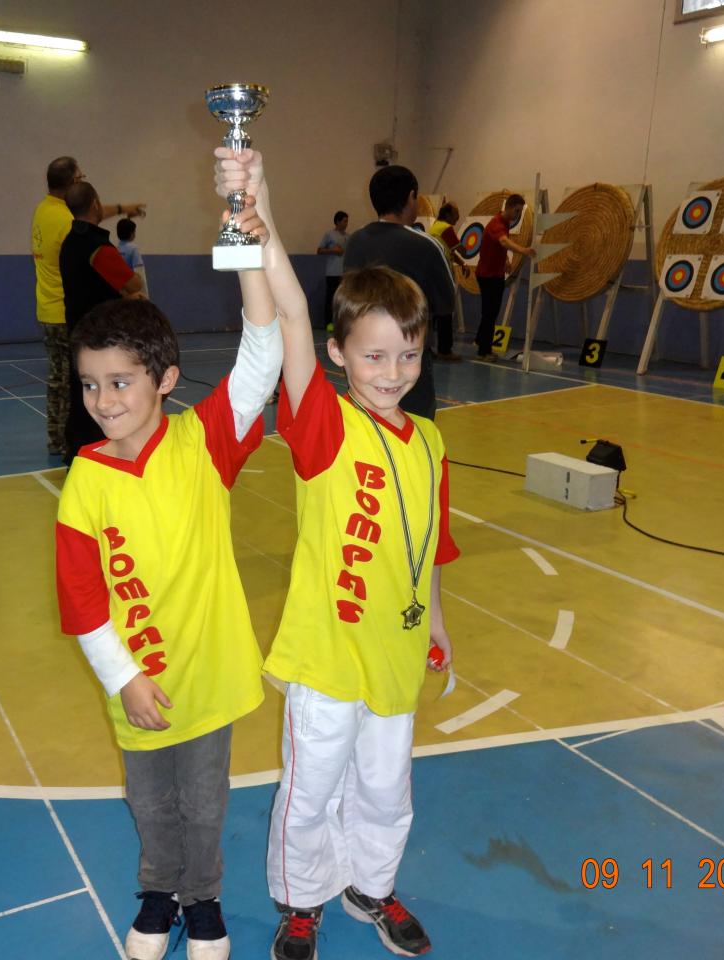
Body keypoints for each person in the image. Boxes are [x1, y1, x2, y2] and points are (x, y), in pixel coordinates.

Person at [214, 149, 458, 960]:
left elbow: (426, 549)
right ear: (341, 352)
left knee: (387, 790)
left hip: (394, 652)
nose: (392, 372)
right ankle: (300, 901)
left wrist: (439, 623)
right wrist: (266, 213)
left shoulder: (430, 441)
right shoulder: (322, 426)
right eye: (374, 355)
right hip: (325, 658)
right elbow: (286, 318)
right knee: (310, 792)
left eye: (408, 355)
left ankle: (371, 886)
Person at [54, 170, 282, 960]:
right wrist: (122, 676)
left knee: (204, 803)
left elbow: (263, 352)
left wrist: (248, 244)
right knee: (151, 805)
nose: (104, 398)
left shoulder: (203, 444)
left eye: (121, 381)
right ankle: (159, 895)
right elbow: (83, 602)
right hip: (139, 681)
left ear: (166, 381)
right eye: (90, 384)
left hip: (209, 672)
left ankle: (205, 901)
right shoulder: (83, 479)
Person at [30, 155, 145, 457]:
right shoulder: (80, 235)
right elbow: (132, 283)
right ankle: (71, 442)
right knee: (74, 383)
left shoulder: (49, 213)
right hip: (73, 316)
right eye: (80, 177)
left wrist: (122, 209)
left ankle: (64, 441)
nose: (82, 179)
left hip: (57, 307)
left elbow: (84, 214)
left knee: (67, 380)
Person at [343, 165, 455, 419]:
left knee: (367, 428)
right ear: (411, 197)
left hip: (362, 359)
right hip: (407, 358)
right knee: (416, 429)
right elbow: (446, 303)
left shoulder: (356, 241)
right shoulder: (425, 245)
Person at [59, 181, 146, 460]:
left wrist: (123, 209)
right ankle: (96, 451)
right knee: (103, 396)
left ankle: (76, 451)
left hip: (77, 331)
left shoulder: (70, 241)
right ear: (96, 204)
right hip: (100, 338)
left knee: (80, 394)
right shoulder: (97, 247)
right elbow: (133, 283)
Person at [473, 193, 535, 362]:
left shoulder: (504, 223)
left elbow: (499, 245)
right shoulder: (497, 224)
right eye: (517, 210)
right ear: (508, 207)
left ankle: (480, 341)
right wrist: (523, 250)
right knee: (490, 314)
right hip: (488, 276)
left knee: (490, 312)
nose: (518, 215)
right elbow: (504, 242)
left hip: (496, 274)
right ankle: (483, 351)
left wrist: (506, 260)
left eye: (520, 212)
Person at [428, 202, 467, 361]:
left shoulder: (435, 226)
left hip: (431, 275)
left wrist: (461, 263)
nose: (458, 217)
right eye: (456, 213)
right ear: (448, 214)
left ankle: (428, 348)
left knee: (432, 315)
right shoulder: (446, 228)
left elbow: (447, 249)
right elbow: (463, 249)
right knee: (445, 312)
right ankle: (445, 350)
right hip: (442, 275)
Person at [316, 211, 348, 329]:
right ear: (338, 221)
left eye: (347, 221)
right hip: (332, 272)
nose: (346, 223)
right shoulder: (329, 234)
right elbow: (319, 250)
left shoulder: (347, 236)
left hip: (344, 273)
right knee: (331, 298)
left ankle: (340, 323)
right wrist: (333, 251)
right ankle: (328, 323)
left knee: (342, 299)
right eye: (344, 221)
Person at [117, 217, 149, 297]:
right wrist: (145, 294)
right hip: (133, 289)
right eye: (134, 231)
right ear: (132, 234)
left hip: (121, 290)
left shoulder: (116, 249)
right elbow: (139, 272)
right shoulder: (134, 249)